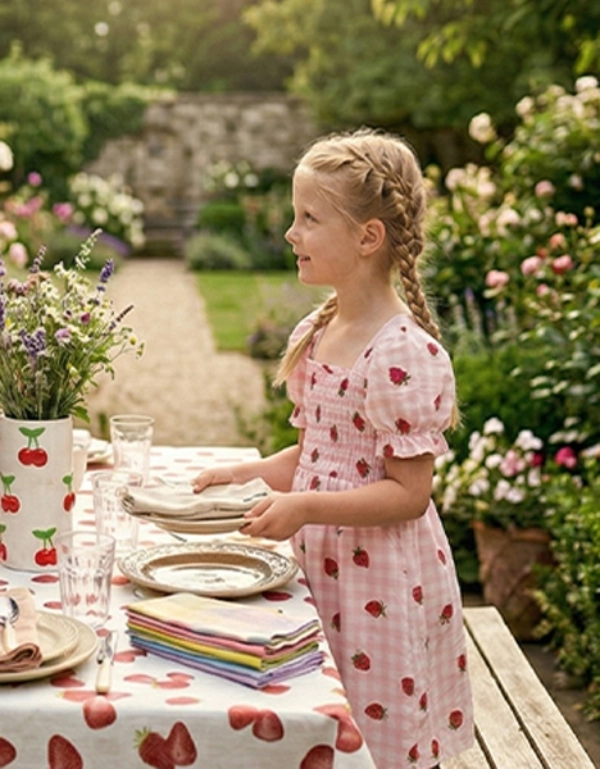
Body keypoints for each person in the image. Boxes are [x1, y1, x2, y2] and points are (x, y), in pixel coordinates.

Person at [193, 128, 474, 769]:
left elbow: (409, 494)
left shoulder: (401, 354)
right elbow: (320, 452)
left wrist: (304, 508)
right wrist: (253, 470)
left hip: (378, 582)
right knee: (314, 721)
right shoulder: (321, 330)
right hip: (322, 564)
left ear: (367, 237)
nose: (292, 232)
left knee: (373, 733)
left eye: (309, 218)